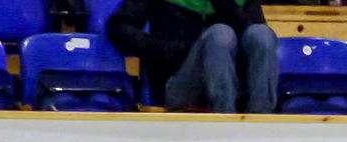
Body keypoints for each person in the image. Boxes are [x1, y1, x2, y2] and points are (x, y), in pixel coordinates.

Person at [106, 0, 277, 114]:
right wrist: (162, 49)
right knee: (220, 33)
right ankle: (225, 119)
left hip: (236, 84)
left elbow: (255, 40)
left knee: (262, 34)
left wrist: (226, 6)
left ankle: (261, 117)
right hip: (181, 81)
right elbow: (118, 27)